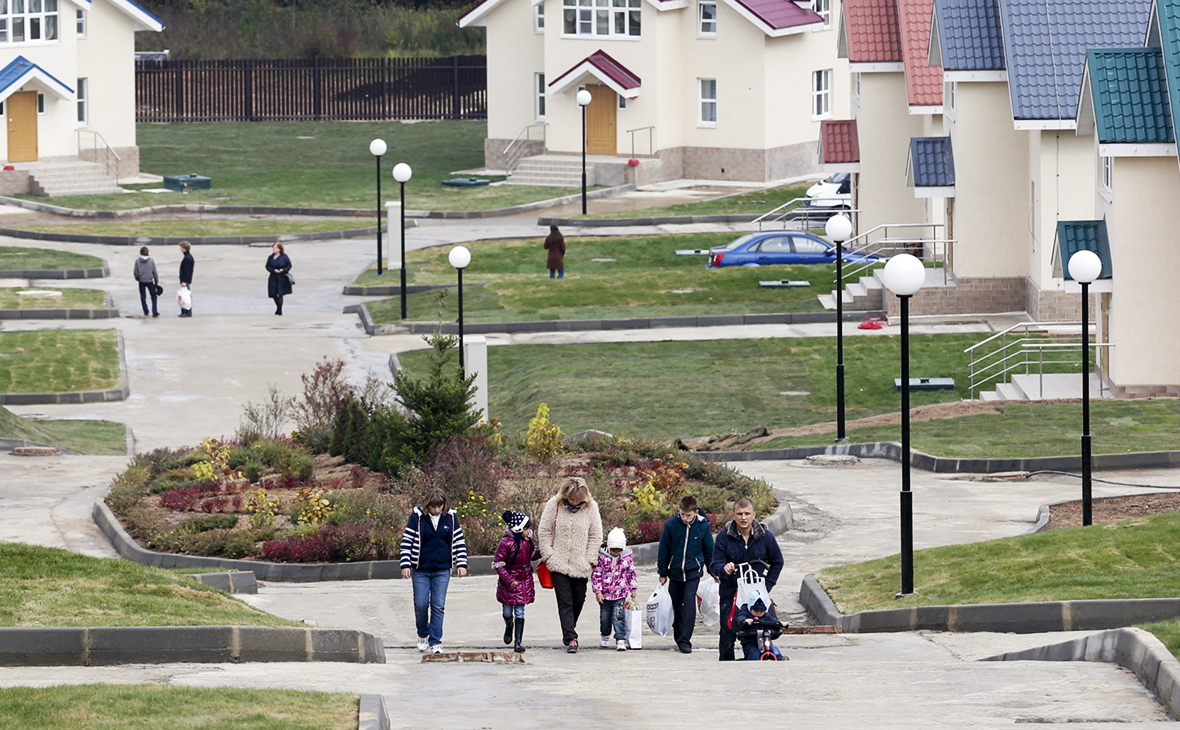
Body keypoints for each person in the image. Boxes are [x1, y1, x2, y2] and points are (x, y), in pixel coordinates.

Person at [709, 497, 784, 661]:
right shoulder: (724, 536)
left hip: (757, 597)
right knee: (727, 635)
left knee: (759, 632)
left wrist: (767, 586)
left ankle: (755, 662)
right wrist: (724, 568)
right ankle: (726, 667)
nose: (743, 517)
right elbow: (714, 564)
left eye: (747, 513)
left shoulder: (765, 536)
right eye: (740, 514)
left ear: (754, 515)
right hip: (730, 594)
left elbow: (777, 562)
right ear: (733, 515)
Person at [399, 488, 468, 655]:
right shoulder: (417, 517)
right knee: (421, 605)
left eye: (440, 506)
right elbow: (407, 540)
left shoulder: (450, 518)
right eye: (433, 507)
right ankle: (423, 634)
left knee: (438, 606)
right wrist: (405, 564)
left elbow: (459, 540)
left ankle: (436, 641)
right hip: (420, 569)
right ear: (427, 505)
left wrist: (461, 563)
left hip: (442, 569)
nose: (437, 510)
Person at [538, 476, 603, 653]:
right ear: (565, 495)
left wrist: (590, 558)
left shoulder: (591, 508)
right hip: (558, 563)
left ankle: (569, 627)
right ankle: (571, 638)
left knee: (578, 599)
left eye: (578, 500)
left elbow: (596, 535)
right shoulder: (554, 505)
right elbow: (544, 531)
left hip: (581, 564)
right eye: (571, 499)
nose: (574, 503)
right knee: (564, 601)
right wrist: (549, 556)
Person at [657, 494, 715, 653]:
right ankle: (678, 636)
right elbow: (664, 549)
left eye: (688, 515)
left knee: (689, 603)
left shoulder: (703, 527)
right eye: (682, 514)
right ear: (678, 511)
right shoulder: (671, 525)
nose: (685, 518)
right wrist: (663, 571)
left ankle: (685, 639)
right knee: (676, 605)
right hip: (675, 572)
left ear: (696, 512)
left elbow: (709, 550)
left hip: (693, 572)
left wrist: (713, 571)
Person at [493, 510, 540, 653]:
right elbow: (498, 563)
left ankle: (518, 641)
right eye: (526, 529)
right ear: (519, 529)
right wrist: (508, 579)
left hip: (524, 579)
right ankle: (509, 625)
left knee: (520, 610)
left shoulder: (527, 542)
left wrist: (542, 552)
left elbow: (530, 555)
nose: (529, 531)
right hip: (509, 580)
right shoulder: (505, 543)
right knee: (507, 611)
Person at [592, 527, 638, 651]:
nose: (616, 553)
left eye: (619, 550)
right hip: (605, 595)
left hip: (620, 593)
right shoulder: (602, 558)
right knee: (605, 618)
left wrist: (633, 588)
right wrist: (598, 590)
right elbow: (596, 574)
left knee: (618, 617)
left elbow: (631, 573)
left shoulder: (626, 558)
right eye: (613, 550)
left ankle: (620, 639)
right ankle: (605, 634)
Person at [735, 588, 785, 661]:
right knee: (754, 655)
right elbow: (740, 618)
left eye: (761, 611)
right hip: (750, 642)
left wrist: (779, 623)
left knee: (775, 652)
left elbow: (773, 620)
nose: (759, 613)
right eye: (756, 611)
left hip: (765, 640)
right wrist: (745, 621)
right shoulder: (745, 612)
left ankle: (780, 660)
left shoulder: (766, 615)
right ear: (750, 608)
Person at [266, 242, 293, 315]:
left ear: (279, 249)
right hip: (273, 277)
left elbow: (289, 265)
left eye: (275, 248)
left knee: (280, 293)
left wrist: (283, 270)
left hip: (281, 277)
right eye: (273, 248)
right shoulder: (270, 257)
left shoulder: (284, 257)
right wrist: (273, 270)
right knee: (273, 293)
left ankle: (279, 310)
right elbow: (267, 266)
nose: (273, 249)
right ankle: (278, 307)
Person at [133, 246, 160, 318]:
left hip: (141, 281)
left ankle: (146, 311)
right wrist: (156, 281)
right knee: (153, 296)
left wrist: (138, 278)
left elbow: (135, 272)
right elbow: (154, 271)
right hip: (149, 281)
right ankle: (154, 311)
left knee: (143, 297)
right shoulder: (151, 261)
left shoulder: (137, 261)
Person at [178, 241, 194, 318]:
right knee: (185, 296)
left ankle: (187, 311)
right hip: (185, 280)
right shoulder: (188, 257)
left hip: (185, 280)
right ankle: (185, 311)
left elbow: (187, 271)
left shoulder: (187, 258)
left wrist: (185, 281)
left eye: (181, 247)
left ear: (184, 248)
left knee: (185, 297)